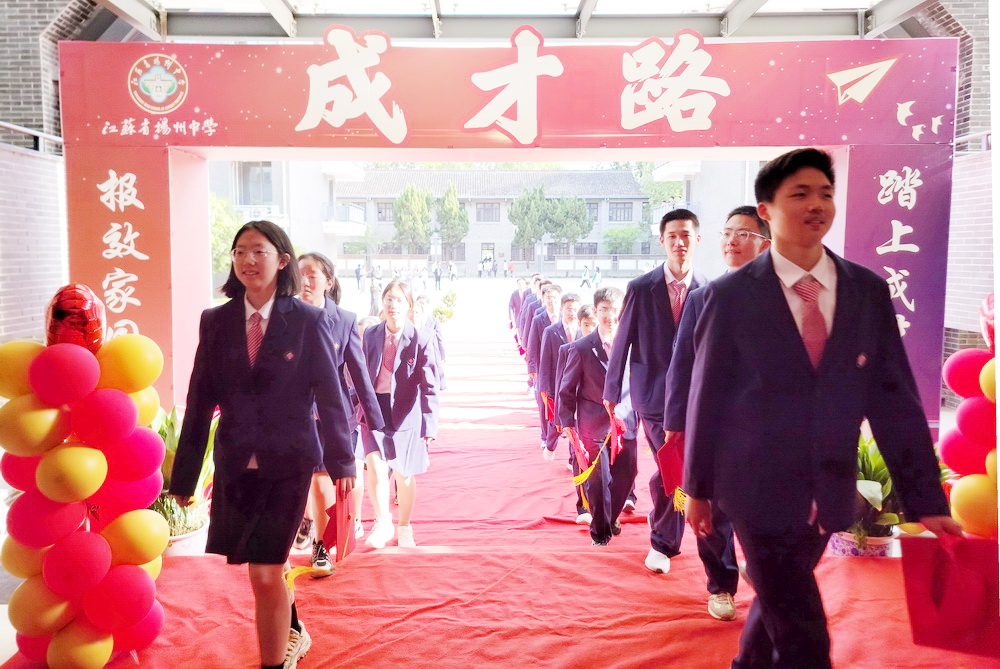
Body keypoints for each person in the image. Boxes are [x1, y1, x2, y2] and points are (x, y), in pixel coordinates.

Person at [683, 149, 961, 668]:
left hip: (828, 488)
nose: (817, 204)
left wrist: (927, 500)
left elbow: (894, 401)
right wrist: (695, 489)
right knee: (805, 636)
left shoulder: (866, 291)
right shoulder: (730, 296)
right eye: (800, 194)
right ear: (766, 210)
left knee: (777, 603)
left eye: (825, 194)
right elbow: (707, 397)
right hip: (754, 489)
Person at [169, 220, 355, 669]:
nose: (248, 260)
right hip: (236, 463)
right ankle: (294, 629)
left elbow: (331, 399)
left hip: (289, 463)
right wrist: (185, 477)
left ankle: (273, 662)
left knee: (265, 569)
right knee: (264, 562)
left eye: (259, 251)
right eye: (239, 252)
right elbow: (200, 400)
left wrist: (343, 464)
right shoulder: (215, 321)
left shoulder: (308, 320)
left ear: (282, 260)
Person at [660, 206, 771, 621]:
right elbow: (682, 365)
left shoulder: (784, 299)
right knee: (711, 509)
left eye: (743, 233)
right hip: (713, 426)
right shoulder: (703, 298)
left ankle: (763, 573)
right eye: (727, 232)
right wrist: (675, 423)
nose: (731, 240)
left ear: (765, 244)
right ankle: (721, 585)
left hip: (764, 429)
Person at [603, 208, 706, 575]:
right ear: (662, 241)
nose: (679, 242)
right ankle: (664, 542)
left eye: (686, 235)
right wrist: (611, 391)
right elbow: (622, 341)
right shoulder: (641, 288)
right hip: (654, 397)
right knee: (672, 465)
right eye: (672, 236)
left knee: (677, 469)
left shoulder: (709, 290)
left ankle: (663, 515)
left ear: (697, 239)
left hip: (695, 399)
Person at [297, 252, 384, 577]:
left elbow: (359, 374)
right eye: (299, 274)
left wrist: (375, 421)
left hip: (333, 418)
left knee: (323, 480)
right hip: (294, 416)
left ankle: (321, 545)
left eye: (312, 275)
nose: (305, 281)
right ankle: (308, 525)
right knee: (305, 481)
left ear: (328, 281)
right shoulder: (284, 316)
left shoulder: (345, 320)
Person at [360, 279, 440, 548]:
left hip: (406, 413)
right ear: (382, 303)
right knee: (375, 466)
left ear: (409, 305)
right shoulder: (371, 334)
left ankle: (404, 525)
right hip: (374, 409)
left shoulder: (421, 338)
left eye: (398, 300)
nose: (393, 305)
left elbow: (430, 385)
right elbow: (360, 374)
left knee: (404, 474)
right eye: (388, 299)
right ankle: (383, 521)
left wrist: (429, 425)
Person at [559, 287, 638, 546]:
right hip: (592, 424)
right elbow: (566, 389)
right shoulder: (582, 348)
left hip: (626, 421)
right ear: (595, 311)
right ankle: (600, 531)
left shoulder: (633, 345)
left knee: (627, 474)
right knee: (599, 479)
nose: (609, 316)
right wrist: (567, 423)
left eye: (614, 310)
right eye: (604, 310)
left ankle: (611, 516)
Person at [537, 292, 581, 462]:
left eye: (575, 309)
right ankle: (550, 445)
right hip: (557, 384)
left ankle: (573, 458)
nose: (572, 313)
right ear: (562, 309)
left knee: (575, 422)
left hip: (578, 384)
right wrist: (545, 388)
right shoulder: (551, 332)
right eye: (568, 309)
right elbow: (545, 361)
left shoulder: (584, 330)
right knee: (556, 420)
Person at [527, 284, 561, 451]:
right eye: (548, 298)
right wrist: (532, 368)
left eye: (554, 297)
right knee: (545, 403)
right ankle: (545, 435)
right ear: (543, 299)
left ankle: (562, 426)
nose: (551, 301)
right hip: (545, 367)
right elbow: (532, 344)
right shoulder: (538, 319)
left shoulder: (567, 317)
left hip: (565, 367)